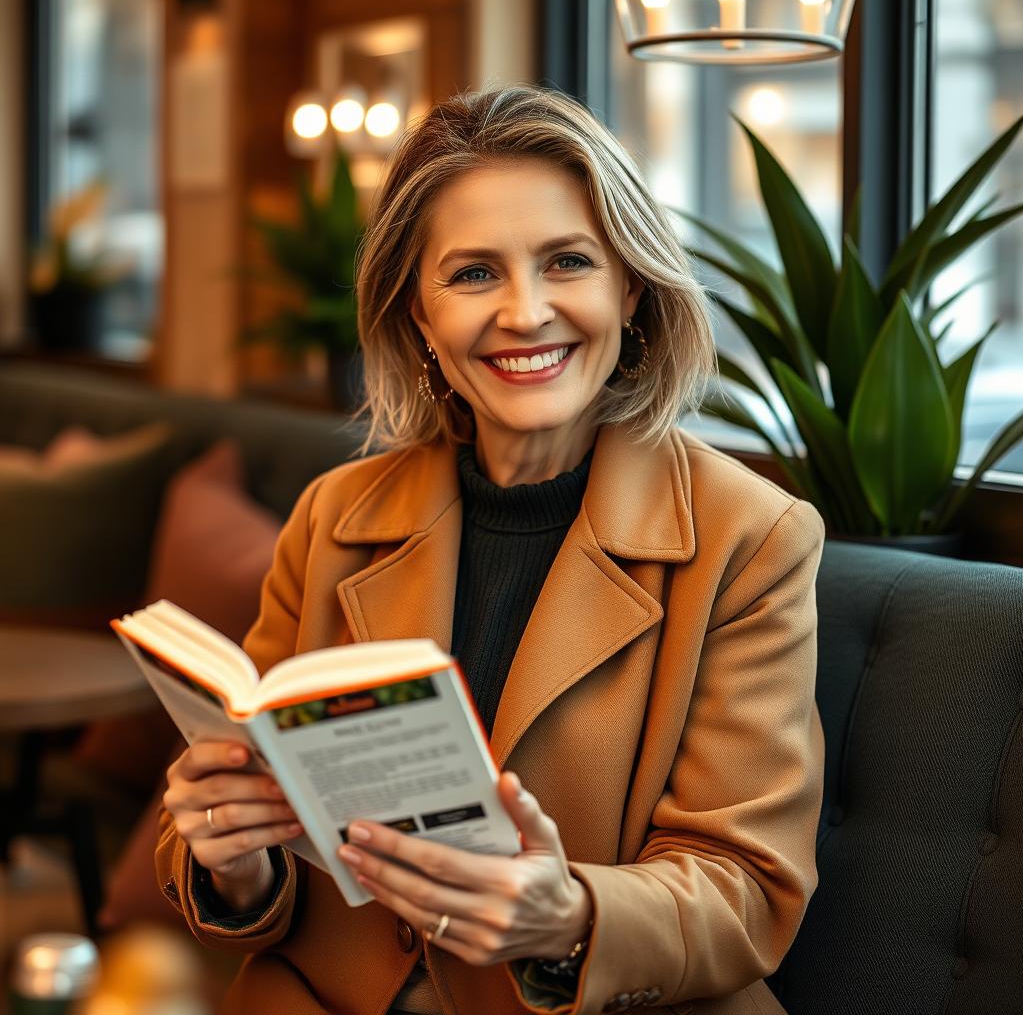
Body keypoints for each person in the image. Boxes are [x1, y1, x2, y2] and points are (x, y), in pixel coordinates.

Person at [157, 85, 826, 1015]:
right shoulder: (331, 517)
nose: (524, 313)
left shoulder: (751, 539)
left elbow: (749, 890)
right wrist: (233, 860)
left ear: (628, 288)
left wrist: (570, 917)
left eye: (567, 262)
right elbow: (263, 856)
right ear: (420, 318)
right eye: (473, 274)